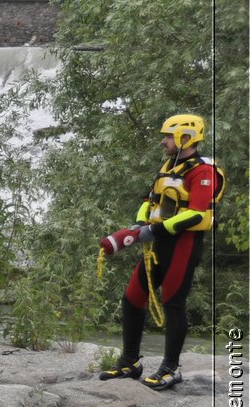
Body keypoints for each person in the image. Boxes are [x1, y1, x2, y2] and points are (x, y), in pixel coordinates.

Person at [97, 112, 224, 390]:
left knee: (173, 303)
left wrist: (153, 231)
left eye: (167, 136)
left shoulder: (203, 170)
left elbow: (197, 214)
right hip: (156, 242)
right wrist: (139, 225)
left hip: (183, 244)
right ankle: (130, 362)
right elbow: (149, 200)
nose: (164, 141)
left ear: (185, 137)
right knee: (132, 298)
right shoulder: (169, 164)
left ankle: (171, 368)